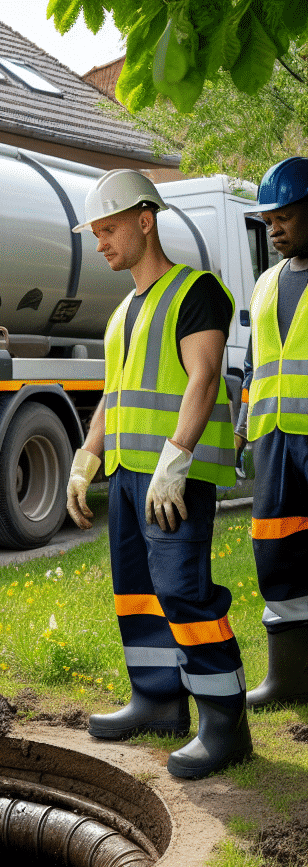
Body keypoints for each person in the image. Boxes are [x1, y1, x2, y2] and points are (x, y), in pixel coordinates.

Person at [66, 169, 252, 779]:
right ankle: (157, 699)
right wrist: (86, 456)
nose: (101, 244)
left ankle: (224, 723)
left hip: (172, 476)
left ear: (146, 219)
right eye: (95, 234)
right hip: (127, 476)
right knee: (137, 592)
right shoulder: (124, 310)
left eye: (109, 229)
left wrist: (176, 459)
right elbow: (115, 394)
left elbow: (202, 378)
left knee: (183, 593)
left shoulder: (195, 291)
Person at [235, 157, 308, 706]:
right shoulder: (264, 286)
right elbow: (255, 369)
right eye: (268, 219)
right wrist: (237, 436)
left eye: (284, 216)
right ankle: (288, 679)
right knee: (278, 554)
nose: (273, 227)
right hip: (275, 445)